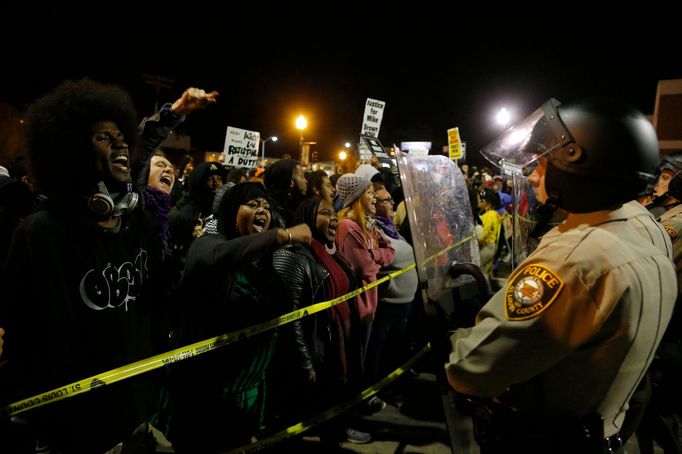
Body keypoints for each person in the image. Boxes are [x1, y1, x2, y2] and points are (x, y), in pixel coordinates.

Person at [445, 98, 677, 453]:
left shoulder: (572, 259)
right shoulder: (650, 232)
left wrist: (460, 334)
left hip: (545, 439)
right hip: (605, 431)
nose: (532, 173)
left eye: (541, 161)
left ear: (576, 164)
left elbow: (470, 370)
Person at [0, 79, 169, 453]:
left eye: (121, 136)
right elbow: (23, 340)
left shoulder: (136, 223)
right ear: (72, 151)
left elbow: (157, 307)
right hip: (76, 431)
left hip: (139, 418)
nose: (121, 143)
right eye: (104, 138)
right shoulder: (40, 233)